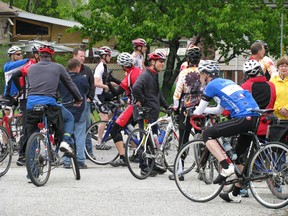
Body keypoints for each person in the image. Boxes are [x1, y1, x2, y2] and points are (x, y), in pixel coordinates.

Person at [192, 60, 260, 203]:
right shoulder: (227, 82)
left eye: (200, 75)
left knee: (207, 134)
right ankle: (235, 193)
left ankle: (226, 166)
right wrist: (208, 111)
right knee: (239, 155)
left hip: (242, 117)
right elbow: (218, 110)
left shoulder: (210, 86)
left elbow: (198, 111)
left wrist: (192, 111)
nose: (199, 78)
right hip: (253, 116)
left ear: (205, 74)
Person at [17, 44, 83, 166]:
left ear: (39, 56)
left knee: (32, 133)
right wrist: (78, 98)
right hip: (50, 104)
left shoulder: (31, 68)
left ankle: (32, 171)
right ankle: (65, 141)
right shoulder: (58, 67)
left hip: (31, 104)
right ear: (51, 56)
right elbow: (70, 84)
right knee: (69, 118)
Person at [239, 59, 276, 197]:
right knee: (267, 153)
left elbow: (241, 105)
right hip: (266, 126)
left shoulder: (245, 86)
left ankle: (243, 186)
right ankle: (275, 183)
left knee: (243, 154)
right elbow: (272, 103)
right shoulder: (271, 86)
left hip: (251, 125)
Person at [132, 51, 170, 177]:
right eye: (160, 62)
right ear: (153, 62)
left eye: (163, 62)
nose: (162, 64)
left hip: (153, 113)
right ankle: (143, 167)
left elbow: (157, 95)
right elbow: (135, 88)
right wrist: (143, 101)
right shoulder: (145, 75)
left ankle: (152, 165)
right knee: (145, 139)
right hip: (145, 113)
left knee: (152, 139)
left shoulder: (154, 75)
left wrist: (166, 107)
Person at [169, 45, 202, 181]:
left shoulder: (184, 73)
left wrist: (175, 108)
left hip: (186, 108)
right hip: (200, 106)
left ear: (188, 59)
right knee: (202, 137)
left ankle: (180, 171)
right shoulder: (203, 71)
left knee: (183, 138)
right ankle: (203, 168)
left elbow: (177, 94)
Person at [106, 52, 141, 167]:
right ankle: (137, 152)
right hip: (142, 106)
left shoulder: (130, 75)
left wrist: (109, 83)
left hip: (133, 106)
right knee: (130, 127)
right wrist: (114, 80)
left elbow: (116, 92)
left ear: (123, 66)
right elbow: (125, 84)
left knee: (115, 129)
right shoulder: (137, 71)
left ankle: (122, 158)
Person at [60, 58, 89, 169]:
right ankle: (80, 159)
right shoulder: (82, 79)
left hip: (66, 109)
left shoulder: (62, 79)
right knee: (80, 135)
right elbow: (86, 91)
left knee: (67, 134)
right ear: (78, 67)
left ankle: (67, 160)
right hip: (79, 109)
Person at [72, 47, 96, 160]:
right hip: (71, 102)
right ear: (74, 56)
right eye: (81, 56)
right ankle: (73, 152)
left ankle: (88, 152)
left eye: (84, 56)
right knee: (71, 128)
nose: (83, 58)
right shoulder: (69, 70)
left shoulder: (87, 70)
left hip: (85, 101)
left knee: (87, 127)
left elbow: (92, 85)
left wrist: (90, 97)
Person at [94, 46, 114, 149]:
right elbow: (96, 82)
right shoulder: (100, 67)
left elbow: (108, 82)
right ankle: (99, 142)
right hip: (97, 95)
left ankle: (103, 124)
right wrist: (106, 86)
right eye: (109, 55)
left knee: (116, 108)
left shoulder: (105, 67)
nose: (111, 57)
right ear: (104, 56)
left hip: (103, 94)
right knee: (104, 118)